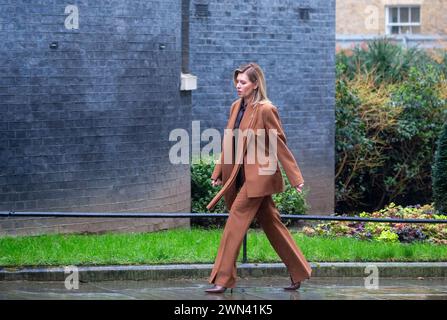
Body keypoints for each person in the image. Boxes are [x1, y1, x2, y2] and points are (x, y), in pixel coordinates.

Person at [205, 62, 312, 294]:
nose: (238, 85)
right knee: (272, 224)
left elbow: (278, 143)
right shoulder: (236, 107)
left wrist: (295, 177)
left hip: (259, 179)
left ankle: (223, 279)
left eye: (243, 82)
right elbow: (229, 141)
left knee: (234, 223)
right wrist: (218, 172)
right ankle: (299, 270)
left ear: (254, 85)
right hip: (238, 177)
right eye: (237, 82)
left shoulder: (266, 109)